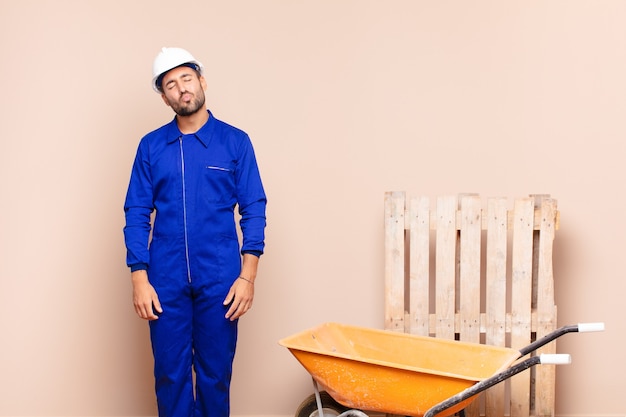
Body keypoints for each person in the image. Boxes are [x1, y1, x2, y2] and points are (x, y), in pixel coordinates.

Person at [123, 47, 267, 417]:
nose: (181, 89)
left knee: (215, 376)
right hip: (164, 278)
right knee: (170, 377)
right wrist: (139, 277)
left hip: (219, 278)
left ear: (201, 81)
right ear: (163, 96)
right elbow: (137, 212)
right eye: (170, 84)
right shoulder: (151, 147)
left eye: (186, 78)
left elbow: (254, 209)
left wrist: (247, 278)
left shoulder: (236, 142)